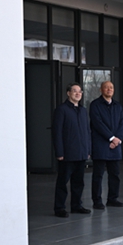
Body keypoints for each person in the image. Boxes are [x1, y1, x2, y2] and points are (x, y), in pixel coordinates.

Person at [53, 83, 91, 217]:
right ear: (68, 93)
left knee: (78, 182)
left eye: (80, 91)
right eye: (74, 91)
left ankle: (76, 205)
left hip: (81, 153)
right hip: (67, 154)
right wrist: (59, 152)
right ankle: (59, 208)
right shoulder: (62, 110)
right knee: (63, 182)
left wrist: (88, 149)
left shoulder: (83, 110)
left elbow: (87, 131)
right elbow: (57, 132)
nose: (78, 93)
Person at [89, 81, 123, 209]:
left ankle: (112, 199)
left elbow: (122, 124)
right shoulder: (95, 105)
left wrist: (117, 139)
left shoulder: (118, 106)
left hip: (115, 146)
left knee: (115, 174)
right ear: (101, 90)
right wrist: (111, 138)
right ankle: (97, 201)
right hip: (101, 145)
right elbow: (97, 123)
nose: (109, 89)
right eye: (106, 87)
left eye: (111, 87)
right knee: (98, 175)